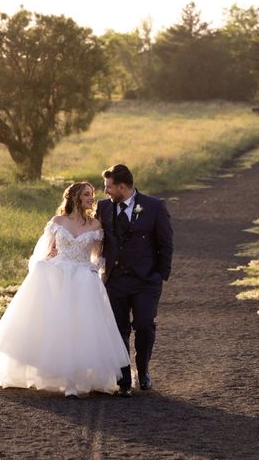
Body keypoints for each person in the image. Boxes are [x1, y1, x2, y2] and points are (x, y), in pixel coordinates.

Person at [0, 182, 130, 397]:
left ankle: (75, 380)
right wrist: (45, 265)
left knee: (81, 328)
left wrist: (96, 271)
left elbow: (97, 256)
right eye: (86, 194)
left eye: (92, 194)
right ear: (74, 197)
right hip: (58, 275)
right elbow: (44, 252)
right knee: (54, 325)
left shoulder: (95, 226)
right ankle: (50, 376)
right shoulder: (57, 222)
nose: (92, 198)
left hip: (83, 279)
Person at [97, 164, 173, 397]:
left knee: (144, 324)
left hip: (145, 281)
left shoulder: (154, 206)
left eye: (109, 187)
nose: (106, 191)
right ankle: (124, 378)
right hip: (115, 281)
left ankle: (143, 370)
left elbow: (165, 243)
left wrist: (159, 275)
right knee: (119, 329)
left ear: (122, 186)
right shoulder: (103, 207)